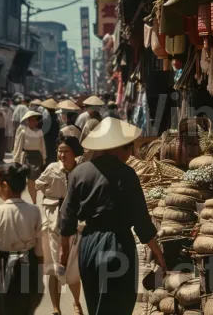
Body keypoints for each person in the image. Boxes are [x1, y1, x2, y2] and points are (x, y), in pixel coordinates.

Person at [59, 117, 167, 315]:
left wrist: (63, 255)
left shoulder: (79, 173)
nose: (130, 154)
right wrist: (156, 250)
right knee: (119, 302)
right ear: (118, 147)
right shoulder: (127, 174)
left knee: (95, 303)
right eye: (128, 149)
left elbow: (66, 218)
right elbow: (141, 220)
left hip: (88, 245)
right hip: (118, 244)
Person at [0, 163, 44, 315]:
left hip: (3, 266)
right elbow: (39, 249)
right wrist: (38, 274)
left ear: (5, 185)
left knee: (2, 309)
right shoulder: (34, 211)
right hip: (29, 265)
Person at [36, 134, 85, 315]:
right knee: (54, 267)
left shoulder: (81, 170)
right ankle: (56, 308)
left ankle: (76, 303)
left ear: (75, 153)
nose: (62, 155)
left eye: (66, 151)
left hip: (75, 223)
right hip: (53, 223)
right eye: (60, 151)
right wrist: (51, 195)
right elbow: (39, 184)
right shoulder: (52, 168)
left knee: (73, 267)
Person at [13, 111, 46, 205]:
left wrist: (44, 158)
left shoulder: (39, 132)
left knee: (39, 179)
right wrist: (16, 159)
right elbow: (18, 146)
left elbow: (43, 146)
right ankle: (34, 201)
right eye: (32, 120)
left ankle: (44, 197)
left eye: (35, 120)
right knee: (31, 180)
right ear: (28, 121)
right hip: (28, 157)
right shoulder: (23, 132)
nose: (34, 122)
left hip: (38, 157)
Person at [41, 98, 61, 164]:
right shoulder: (57, 119)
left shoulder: (45, 119)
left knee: (47, 159)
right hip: (54, 142)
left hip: (46, 142)